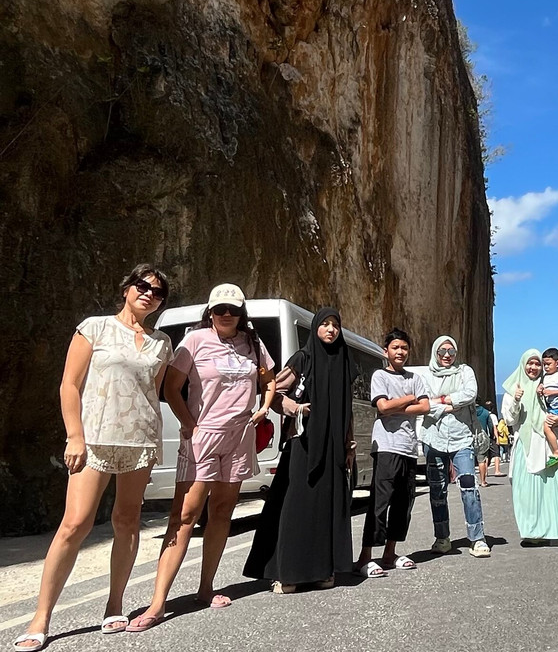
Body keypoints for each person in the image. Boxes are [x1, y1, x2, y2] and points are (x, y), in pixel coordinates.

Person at [14, 266, 173, 651]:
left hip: (140, 441)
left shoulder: (162, 343)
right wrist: (75, 435)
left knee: (127, 519)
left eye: (158, 291)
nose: (148, 293)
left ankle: (115, 602)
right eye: (142, 285)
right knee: (75, 524)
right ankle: (41, 617)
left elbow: (150, 393)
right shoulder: (95, 328)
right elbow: (70, 384)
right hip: (95, 439)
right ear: (126, 289)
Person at [127, 284, 276, 632]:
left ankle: (206, 587)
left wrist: (265, 406)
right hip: (202, 437)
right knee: (185, 516)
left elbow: (269, 379)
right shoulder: (194, 340)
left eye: (234, 309)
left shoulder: (253, 343)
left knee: (222, 511)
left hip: (239, 438)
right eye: (220, 308)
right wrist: (190, 424)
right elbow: (171, 387)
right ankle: (157, 603)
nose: (227, 314)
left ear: (242, 314)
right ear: (210, 311)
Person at [243, 308, 356, 591]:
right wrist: (294, 408)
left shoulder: (345, 361)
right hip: (303, 444)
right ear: (316, 327)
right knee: (296, 507)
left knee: (327, 507)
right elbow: (273, 391)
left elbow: (348, 408)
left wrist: (349, 444)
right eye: (325, 324)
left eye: (335, 325)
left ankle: (322, 571)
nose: (331, 330)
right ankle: (288, 573)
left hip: (333, 448)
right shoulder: (302, 359)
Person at [352, 328, 429, 578]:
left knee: (403, 502)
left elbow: (426, 406)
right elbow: (382, 407)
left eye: (404, 348)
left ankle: (389, 553)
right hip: (386, 446)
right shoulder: (379, 376)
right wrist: (408, 399)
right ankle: (365, 557)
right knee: (379, 502)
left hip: (408, 447)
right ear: (386, 351)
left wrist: (397, 407)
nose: (400, 352)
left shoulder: (415, 377)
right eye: (395, 347)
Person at [500, 349, 558, 548]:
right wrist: (516, 399)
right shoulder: (513, 388)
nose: (534, 367)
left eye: (538, 364)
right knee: (529, 490)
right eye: (530, 363)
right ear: (523, 364)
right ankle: (533, 532)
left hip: (555, 442)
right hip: (528, 443)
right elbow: (510, 419)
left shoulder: (549, 384)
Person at [420, 335, 490, 558]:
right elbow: (423, 404)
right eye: (442, 352)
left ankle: (477, 538)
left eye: (451, 351)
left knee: (469, 486)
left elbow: (471, 393)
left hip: (462, 438)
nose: (447, 356)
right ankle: (442, 537)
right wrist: (449, 404)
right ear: (435, 353)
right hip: (434, 438)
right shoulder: (426, 375)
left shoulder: (464, 371)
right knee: (437, 490)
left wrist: (441, 400)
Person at [476, 399, 496, 486]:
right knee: (482, 460)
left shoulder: (469, 412)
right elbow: (490, 426)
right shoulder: (485, 412)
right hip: (482, 437)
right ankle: (483, 481)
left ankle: (469, 482)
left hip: (470, 437)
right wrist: (491, 436)